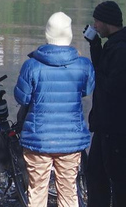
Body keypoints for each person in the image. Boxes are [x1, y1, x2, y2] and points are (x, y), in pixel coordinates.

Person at [14, 12, 95, 207]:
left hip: (38, 139)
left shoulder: (31, 65)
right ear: (68, 35)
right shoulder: (83, 65)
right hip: (70, 139)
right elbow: (87, 90)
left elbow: (22, 97)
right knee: (68, 190)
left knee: (37, 190)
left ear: (47, 34)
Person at [84, 0, 126, 207]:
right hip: (106, 123)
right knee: (96, 172)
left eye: (97, 21)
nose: (95, 26)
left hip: (114, 124)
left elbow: (111, 85)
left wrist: (96, 73)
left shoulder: (122, 50)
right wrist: (95, 46)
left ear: (107, 22)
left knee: (118, 175)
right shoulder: (116, 45)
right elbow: (105, 73)